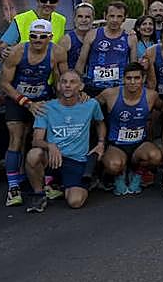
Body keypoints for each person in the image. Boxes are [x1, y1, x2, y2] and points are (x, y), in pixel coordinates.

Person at [0, 18, 69, 206]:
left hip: (43, 99)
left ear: (50, 37)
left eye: (42, 37)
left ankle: (46, 181)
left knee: (46, 139)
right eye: (33, 36)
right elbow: (4, 84)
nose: (37, 40)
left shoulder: (57, 52)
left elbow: (65, 79)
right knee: (16, 138)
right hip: (17, 98)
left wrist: (64, 102)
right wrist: (27, 103)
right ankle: (13, 187)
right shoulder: (17, 52)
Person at [23, 70, 106, 213]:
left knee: (75, 202)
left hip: (76, 160)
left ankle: (63, 185)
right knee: (33, 154)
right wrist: (50, 145)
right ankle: (38, 194)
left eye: (72, 82)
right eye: (64, 82)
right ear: (58, 86)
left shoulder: (91, 104)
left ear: (81, 86)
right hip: (52, 158)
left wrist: (101, 143)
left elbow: (100, 123)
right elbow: (36, 140)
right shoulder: (45, 107)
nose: (67, 85)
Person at [97, 61, 161, 196]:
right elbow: (91, 107)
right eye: (129, 78)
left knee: (155, 156)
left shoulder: (151, 96)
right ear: (123, 79)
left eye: (136, 78)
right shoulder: (109, 94)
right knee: (113, 165)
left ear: (143, 79)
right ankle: (120, 174)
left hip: (140, 145)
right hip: (116, 145)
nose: (132, 82)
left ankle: (138, 174)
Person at [77, 0, 136, 97]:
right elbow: (81, 62)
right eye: (112, 16)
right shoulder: (92, 34)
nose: (115, 20)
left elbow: (133, 67)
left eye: (119, 16)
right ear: (105, 16)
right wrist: (78, 85)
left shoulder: (130, 37)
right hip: (93, 87)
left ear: (124, 18)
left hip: (118, 88)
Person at [0, 0, 67, 60]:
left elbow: (60, 49)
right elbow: (0, 47)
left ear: (57, 2)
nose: (48, 4)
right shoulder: (21, 19)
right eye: (43, 0)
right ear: (37, 1)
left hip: (50, 66)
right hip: (25, 65)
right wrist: (3, 51)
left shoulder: (61, 20)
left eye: (53, 1)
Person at [60, 2, 95, 72]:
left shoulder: (98, 36)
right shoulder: (66, 40)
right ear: (74, 19)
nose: (83, 20)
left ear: (93, 19)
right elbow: (60, 67)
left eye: (87, 17)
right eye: (80, 16)